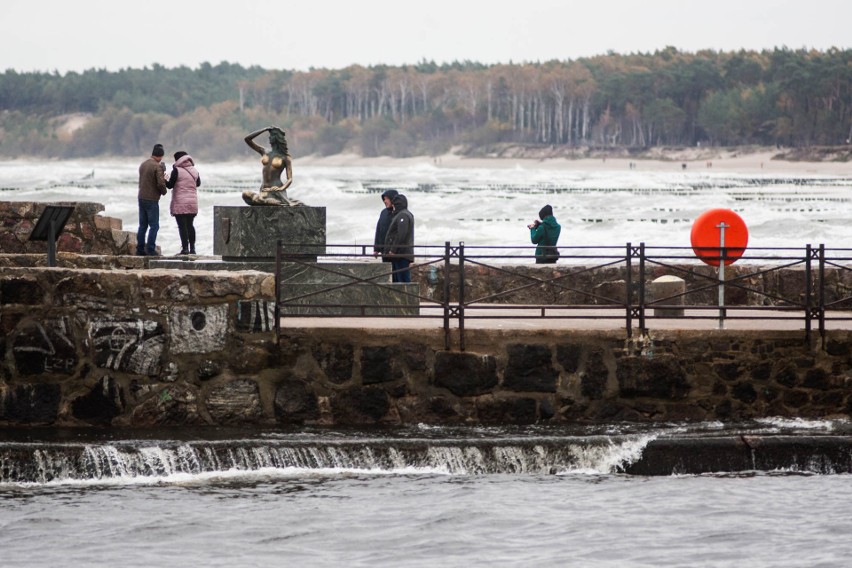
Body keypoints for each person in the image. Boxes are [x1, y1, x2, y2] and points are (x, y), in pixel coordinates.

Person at [242, 126, 302, 206]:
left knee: (261, 200)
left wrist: (282, 188)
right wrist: (264, 129)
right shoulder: (264, 151)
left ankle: (271, 201)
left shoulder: (285, 157)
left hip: (276, 190)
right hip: (263, 189)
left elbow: (290, 179)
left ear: (276, 138)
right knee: (245, 194)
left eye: (271, 136)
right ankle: (265, 201)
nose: (269, 138)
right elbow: (247, 139)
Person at [166, 150, 201, 255]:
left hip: (180, 202)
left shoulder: (176, 170)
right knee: (190, 225)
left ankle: (185, 249)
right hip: (192, 202)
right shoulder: (195, 170)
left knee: (182, 226)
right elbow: (198, 184)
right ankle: (193, 249)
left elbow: (170, 185)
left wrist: (164, 180)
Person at [136, 143, 168, 256]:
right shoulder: (157, 166)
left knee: (142, 225)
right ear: (160, 156)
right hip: (152, 199)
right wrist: (164, 191)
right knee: (154, 225)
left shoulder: (143, 164)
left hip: (141, 197)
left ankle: (139, 249)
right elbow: (160, 183)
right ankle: (150, 249)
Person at [383, 194, 414, 283]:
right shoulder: (404, 214)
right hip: (401, 254)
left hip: (401, 254)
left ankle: (407, 296)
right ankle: (405, 296)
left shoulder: (403, 215)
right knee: (400, 280)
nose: (392, 206)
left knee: (403, 280)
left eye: (394, 204)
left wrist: (393, 250)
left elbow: (401, 234)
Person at [373, 189, 399, 261]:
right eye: (384, 199)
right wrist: (376, 249)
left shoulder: (399, 213)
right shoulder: (383, 212)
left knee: (396, 271)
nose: (385, 201)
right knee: (387, 270)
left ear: (393, 199)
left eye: (387, 199)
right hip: (384, 250)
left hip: (395, 251)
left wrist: (393, 249)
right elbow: (378, 230)